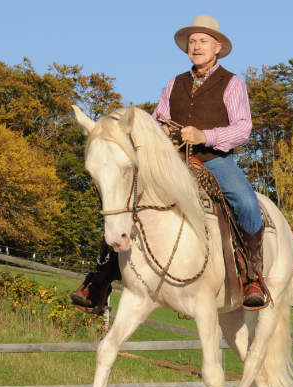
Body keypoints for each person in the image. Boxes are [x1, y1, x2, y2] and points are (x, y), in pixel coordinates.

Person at [71, 14, 268, 312]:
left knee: (247, 203)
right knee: (126, 198)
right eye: (192, 41)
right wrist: (158, 131)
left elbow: (243, 128)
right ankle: (100, 279)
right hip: (172, 160)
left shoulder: (232, 83)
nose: (197, 46)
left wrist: (205, 134)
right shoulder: (174, 83)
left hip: (213, 160)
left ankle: (252, 276)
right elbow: (154, 122)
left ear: (217, 47)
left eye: (203, 41)